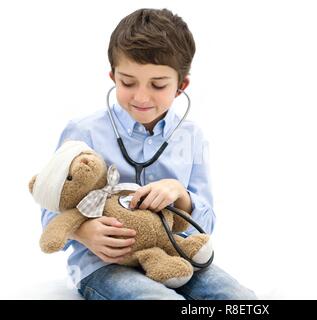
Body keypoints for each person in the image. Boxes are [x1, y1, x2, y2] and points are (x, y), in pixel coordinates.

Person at [40, 8, 257, 300]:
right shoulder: (83, 132)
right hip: (104, 263)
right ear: (112, 76)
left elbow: (207, 224)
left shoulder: (191, 137)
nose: (141, 97)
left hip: (173, 254)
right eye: (128, 82)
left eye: (158, 85)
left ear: (181, 86)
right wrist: (83, 232)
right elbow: (50, 209)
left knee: (240, 299)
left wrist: (180, 194)